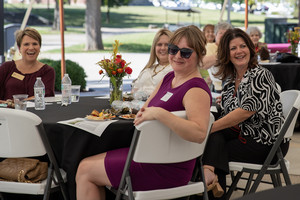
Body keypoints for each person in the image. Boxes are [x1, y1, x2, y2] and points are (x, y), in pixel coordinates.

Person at [75, 25, 212, 200]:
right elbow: (144, 111)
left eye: (185, 52)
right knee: (84, 159)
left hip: (167, 167)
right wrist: (151, 112)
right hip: (148, 155)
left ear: (199, 54)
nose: (177, 56)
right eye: (174, 49)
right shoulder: (169, 78)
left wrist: (160, 114)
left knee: (85, 170)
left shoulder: (195, 89)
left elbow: (199, 133)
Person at [202, 28, 289, 199]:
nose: (239, 51)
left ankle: (207, 183)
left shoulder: (261, 75)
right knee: (212, 141)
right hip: (243, 135)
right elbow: (227, 112)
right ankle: (208, 178)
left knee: (210, 148)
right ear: (227, 53)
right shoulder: (230, 79)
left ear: (250, 48)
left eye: (243, 46)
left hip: (266, 142)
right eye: (233, 48)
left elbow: (244, 112)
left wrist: (208, 129)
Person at [0, 27, 55, 101]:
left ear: (39, 47)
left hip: (35, 112)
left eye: (35, 44)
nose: (31, 48)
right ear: (19, 48)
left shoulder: (47, 71)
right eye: (26, 44)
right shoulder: (7, 67)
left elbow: (46, 97)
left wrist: (18, 103)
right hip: (8, 112)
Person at [131, 29, 173, 98]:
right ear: (154, 47)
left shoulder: (175, 70)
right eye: (159, 44)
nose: (163, 48)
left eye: (167, 45)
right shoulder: (150, 68)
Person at [200, 22, 233, 91]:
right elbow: (204, 65)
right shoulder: (210, 46)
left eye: (226, 34)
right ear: (215, 35)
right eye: (221, 33)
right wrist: (223, 54)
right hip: (220, 87)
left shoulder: (233, 47)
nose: (224, 36)